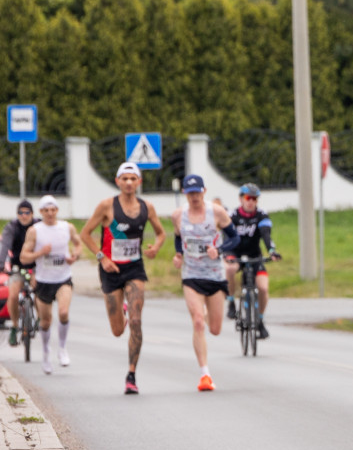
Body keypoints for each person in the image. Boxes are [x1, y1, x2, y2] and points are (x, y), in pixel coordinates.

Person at [80, 162, 167, 394]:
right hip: (110, 271)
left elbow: (161, 232)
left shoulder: (147, 207)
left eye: (133, 178)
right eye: (124, 178)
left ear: (139, 182)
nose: (129, 182)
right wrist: (101, 258)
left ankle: (131, 375)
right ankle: (123, 312)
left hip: (134, 269)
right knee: (118, 330)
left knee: (137, 321)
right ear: (118, 181)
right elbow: (85, 233)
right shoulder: (107, 206)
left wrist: (156, 247)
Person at [171, 174, 240, 392]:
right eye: (190, 193)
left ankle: (205, 369)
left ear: (204, 191)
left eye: (197, 192)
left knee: (216, 328)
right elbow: (177, 238)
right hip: (191, 276)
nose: (194, 197)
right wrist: (178, 254)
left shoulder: (216, 213)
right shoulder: (178, 215)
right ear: (185, 193)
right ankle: (205, 375)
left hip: (215, 275)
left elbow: (235, 238)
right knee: (198, 321)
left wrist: (218, 250)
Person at [19, 196, 82, 374]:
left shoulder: (66, 227)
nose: (50, 213)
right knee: (45, 321)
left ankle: (62, 348)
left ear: (57, 210)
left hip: (63, 278)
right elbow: (24, 257)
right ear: (41, 212)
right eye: (46, 210)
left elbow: (78, 245)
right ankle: (46, 352)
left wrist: (74, 256)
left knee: (63, 312)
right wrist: (40, 252)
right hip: (44, 281)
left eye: (53, 209)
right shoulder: (34, 231)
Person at [224, 183, 281, 340]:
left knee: (262, 288)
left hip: (254, 254)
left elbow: (266, 235)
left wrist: (272, 251)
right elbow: (226, 235)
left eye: (255, 199)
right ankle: (230, 302)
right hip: (234, 252)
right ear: (241, 199)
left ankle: (260, 320)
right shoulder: (232, 215)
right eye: (248, 198)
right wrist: (224, 251)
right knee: (229, 269)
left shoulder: (261, 215)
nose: (251, 202)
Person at [0, 200, 39, 346]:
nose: (24, 215)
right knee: (13, 295)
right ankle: (15, 327)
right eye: (20, 213)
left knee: (39, 292)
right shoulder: (12, 227)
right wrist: (1, 263)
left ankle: (40, 319)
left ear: (32, 214)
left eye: (27, 212)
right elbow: (5, 246)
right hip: (18, 267)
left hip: (37, 267)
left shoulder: (38, 226)